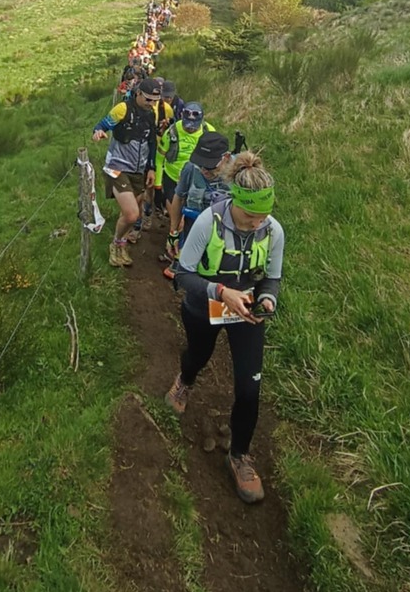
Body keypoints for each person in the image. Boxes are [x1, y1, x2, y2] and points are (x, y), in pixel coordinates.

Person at [165, 153, 284, 504]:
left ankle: (240, 456)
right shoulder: (208, 222)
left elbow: (272, 279)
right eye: (250, 217)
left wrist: (267, 301)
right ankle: (185, 381)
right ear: (235, 202)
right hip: (204, 306)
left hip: (245, 313)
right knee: (198, 356)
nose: (256, 224)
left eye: (263, 217)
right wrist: (220, 292)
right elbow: (182, 275)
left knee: (249, 389)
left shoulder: (273, 230)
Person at [92, 77, 173, 267]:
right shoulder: (122, 109)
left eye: (155, 101)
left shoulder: (151, 114)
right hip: (117, 167)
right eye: (148, 99)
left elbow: (151, 142)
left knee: (131, 212)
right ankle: (115, 244)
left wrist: (151, 168)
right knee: (131, 214)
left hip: (139, 170)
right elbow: (101, 125)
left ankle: (122, 245)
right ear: (138, 93)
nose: (151, 104)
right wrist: (98, 132)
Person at [163, 130, 232, 278]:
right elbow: (179, 198)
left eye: (210, 166)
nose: (203, 170)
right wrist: (173, 233)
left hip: (225, 234)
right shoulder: (190, 168)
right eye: (200, 164)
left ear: (226, 157)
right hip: (193, 226)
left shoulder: (240, 175)